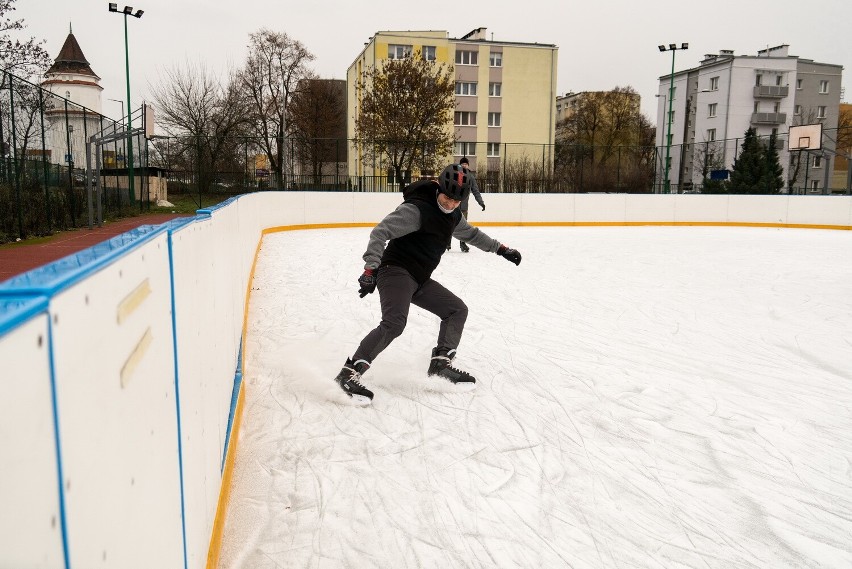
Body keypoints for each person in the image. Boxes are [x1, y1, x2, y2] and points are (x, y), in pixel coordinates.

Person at [333, 163, 522, 404]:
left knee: (456, 310)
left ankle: (440, 365)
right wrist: (370, 269)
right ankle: (348, 375)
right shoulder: (417, 210)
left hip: (419, 278)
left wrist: (501, 249)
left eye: (456, 200)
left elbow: (472, 235)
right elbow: (380, 232)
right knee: (394, 323)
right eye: (447, 197)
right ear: (440, 188)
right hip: (395, 271)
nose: (450, 203)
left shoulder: (453, 216)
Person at [448, 156, 485, 253]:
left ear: (468, 166)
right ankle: (448, 241)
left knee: (463, 226)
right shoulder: (456, 175)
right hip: (453, 204)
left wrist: (481, 202)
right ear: (460, 165)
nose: (464, 166)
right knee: (450, 222)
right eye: (462, 164)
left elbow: (475, 191)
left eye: (466, 164)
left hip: (464, 206)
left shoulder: (470, 177)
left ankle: (462, 243)